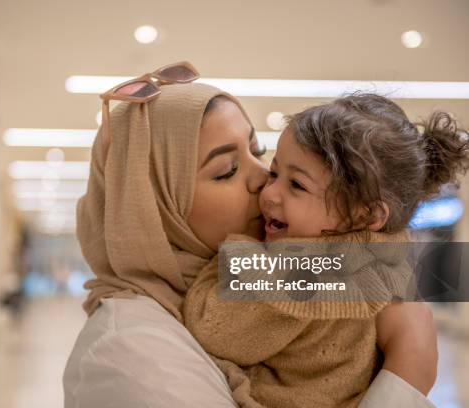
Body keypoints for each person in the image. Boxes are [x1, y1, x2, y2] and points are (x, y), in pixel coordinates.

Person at [63, 64, 439, 407]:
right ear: (149, 202)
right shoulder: (130, 353)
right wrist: (407, 373)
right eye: (227, 170)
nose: (263, 179)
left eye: (257, 151)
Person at [184, 93, 469, 407]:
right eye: (275, 172)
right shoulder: (385, 255)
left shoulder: (301, 269)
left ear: (367, 215)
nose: (269, 192)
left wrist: (241, 249)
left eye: (297, 185)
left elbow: (214, 330)